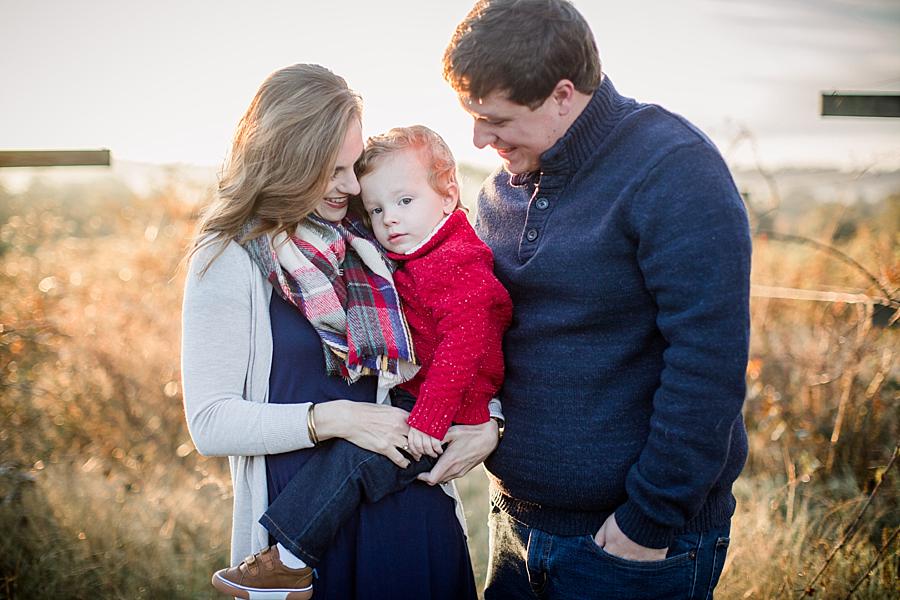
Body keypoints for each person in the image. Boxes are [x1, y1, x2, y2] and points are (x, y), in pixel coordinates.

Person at [443, 1, 752, 599]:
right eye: (472, 116)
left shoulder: (672, 168)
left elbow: (708, 363)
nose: (480, 139)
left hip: (631, 548)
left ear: (562, 94)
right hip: (514, 526)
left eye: (496, 118)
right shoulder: (495, 193)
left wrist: (647, 522)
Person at [181, 64, 498, 600]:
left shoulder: (371, 237)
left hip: (409, 515)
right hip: (302, 534)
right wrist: (344, 420)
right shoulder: (229, 256)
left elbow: (463, 324)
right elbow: (210, 423)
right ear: (288, 159)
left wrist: (490, 420)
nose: (351, 187)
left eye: (354, 167)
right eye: (334, 170)